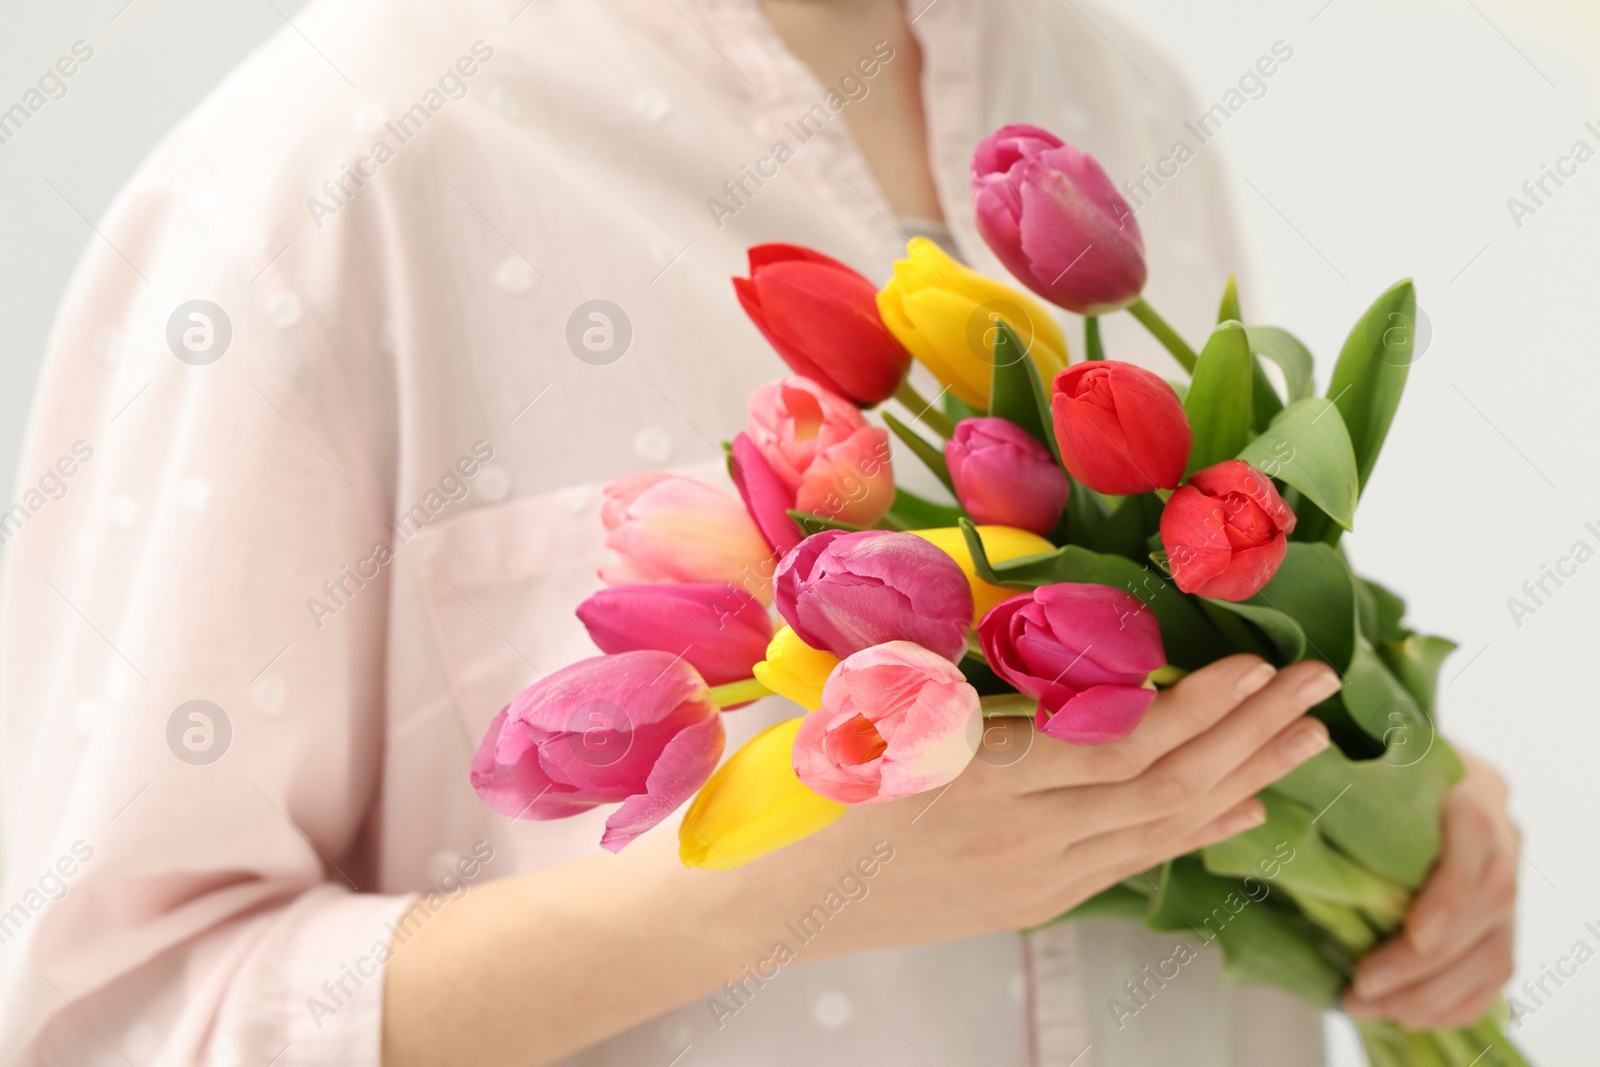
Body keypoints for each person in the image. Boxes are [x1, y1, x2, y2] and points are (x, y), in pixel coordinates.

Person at [0, 0, 1519, 1064]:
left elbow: (1212, 625)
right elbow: (121, 1019)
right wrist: (779, 895)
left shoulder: (1117, 97)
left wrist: (1397, 829)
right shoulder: (323, 178)